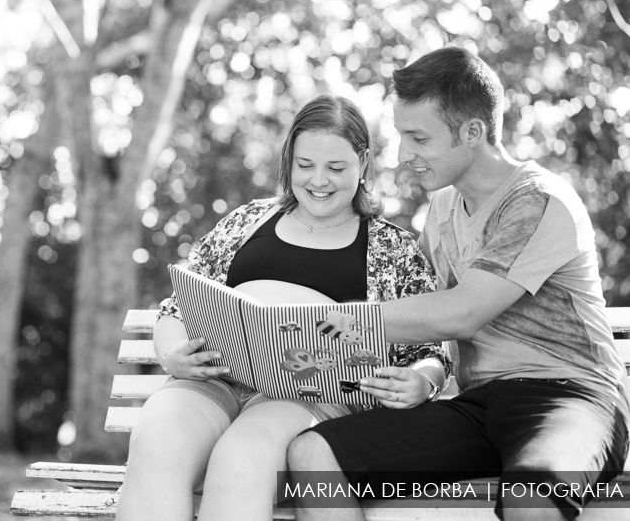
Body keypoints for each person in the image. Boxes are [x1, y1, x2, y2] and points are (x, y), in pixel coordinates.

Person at [287, 47, 630, 521]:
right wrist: (422, 379)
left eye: (419, 138)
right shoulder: (443, 209)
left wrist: (345, 319)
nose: (405, 156)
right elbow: (421, 315)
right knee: (314, 456)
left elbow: (460, 312)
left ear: (473, 132)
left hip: (571, 396)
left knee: (531, 498)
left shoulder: (539, 202)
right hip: (480, 404)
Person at [115, 94, 452, 521]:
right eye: (306, 165)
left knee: (243, 456)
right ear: (289, 159)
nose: (319, 181)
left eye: (336, 167)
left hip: (308, 396)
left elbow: (431, 350)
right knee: (156, 439)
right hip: (216, 380)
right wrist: (173, 356)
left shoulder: (393, 248)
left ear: (363, 163)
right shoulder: (247, 221)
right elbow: (176, 308)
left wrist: (422, 382)